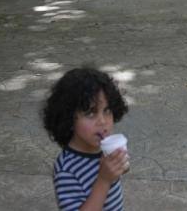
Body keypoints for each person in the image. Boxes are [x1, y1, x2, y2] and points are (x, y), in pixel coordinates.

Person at [43, 68, 130, 211]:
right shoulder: (67, 170)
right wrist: (104, 179)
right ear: (69, 118)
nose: (102, 121)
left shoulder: (104, 149)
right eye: (90, 113)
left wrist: (119, 164)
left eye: (107, 110)